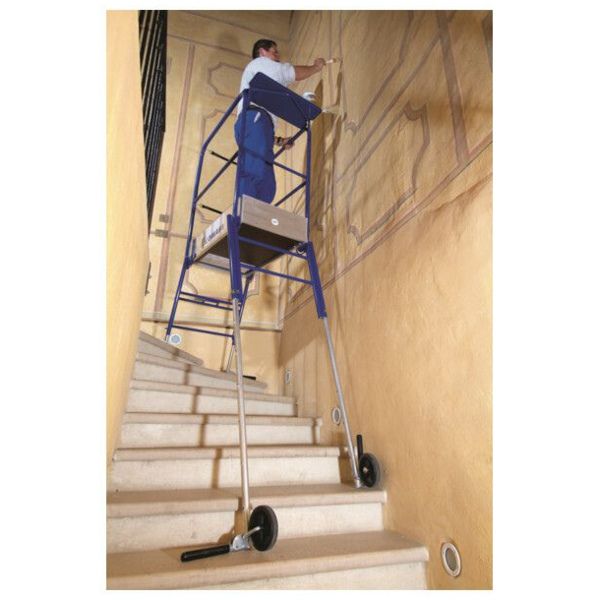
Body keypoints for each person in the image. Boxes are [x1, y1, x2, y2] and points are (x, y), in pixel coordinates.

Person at [234, 39, 325, 204]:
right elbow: (286, 73)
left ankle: (254, 213)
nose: (278, 55)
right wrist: (315, 68)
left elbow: (258, 134)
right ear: (262, 52)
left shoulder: (263, 76)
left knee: (264, 178)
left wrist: (279, 141)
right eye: (274, 51)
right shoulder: (259, 63)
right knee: (257, 172)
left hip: (255, 123)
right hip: (254, 119)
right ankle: (246, 213)